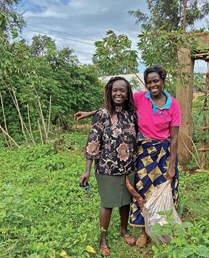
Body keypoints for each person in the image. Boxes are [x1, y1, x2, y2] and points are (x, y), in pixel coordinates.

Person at [75, 65, 181, 248]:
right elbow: (111, 110)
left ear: (163, 80)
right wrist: (90, 114)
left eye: (156, 81)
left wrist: (172, 165)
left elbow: (175, 137)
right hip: (128, 159)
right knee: (134, 192)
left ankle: (160, 228)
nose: (152, 85)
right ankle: (134, 233)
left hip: (148, 159)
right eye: (148, 82)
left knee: (152, 193)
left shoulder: (163, 106)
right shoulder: (137, 100)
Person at [79, 76, 138, 257]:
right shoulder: (102, 114)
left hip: (129, 166)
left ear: (128, 93)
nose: (118, 93)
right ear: (109, 92)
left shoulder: (132, 113)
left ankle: (124, 231)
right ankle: (103, 240)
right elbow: (93, 142)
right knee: (107, 204)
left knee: (125, 202)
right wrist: (87, 170)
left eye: (122, 90)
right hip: (107, 167)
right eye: (115, 90)